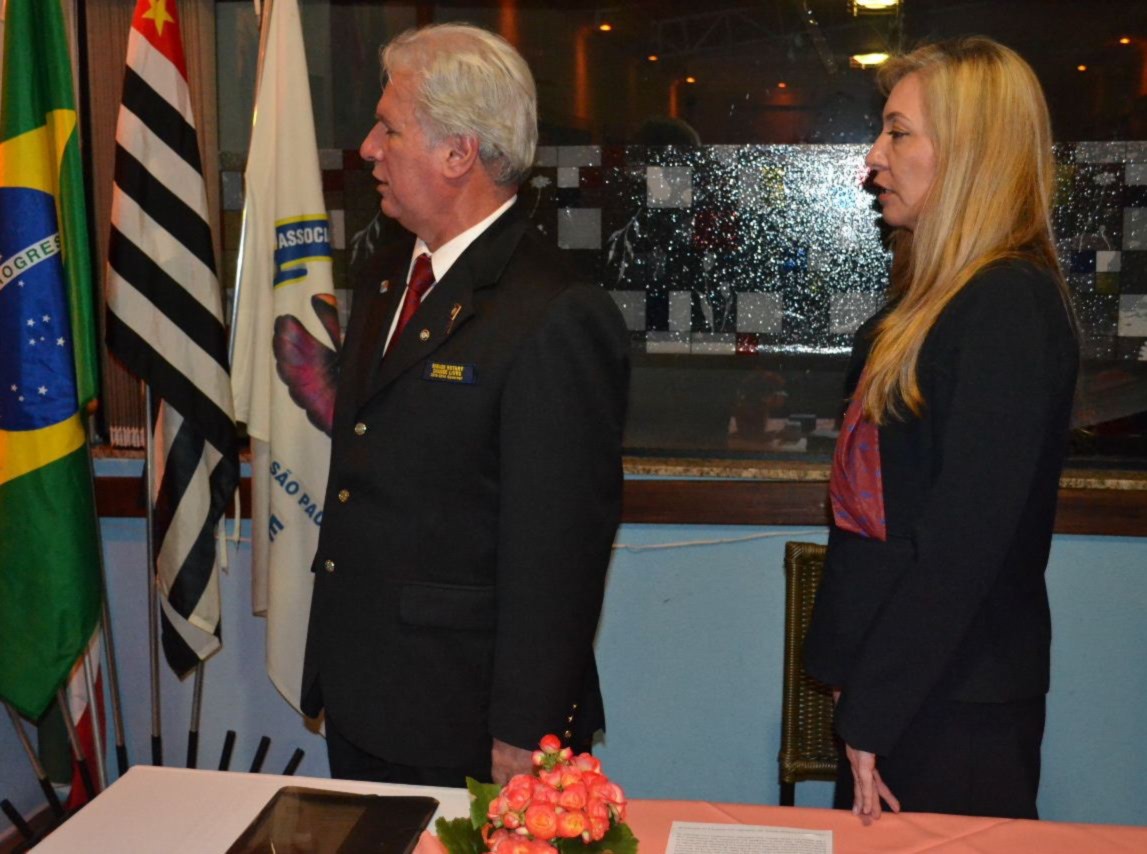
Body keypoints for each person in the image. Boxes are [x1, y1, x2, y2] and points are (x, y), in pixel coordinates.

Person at [301, 23, 630, 787]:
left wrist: (525, 729)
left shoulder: (553, 310)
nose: (368, 149)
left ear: (458, 153)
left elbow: (559, 551)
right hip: (363, 687)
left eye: (388, 129)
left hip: (469, 715)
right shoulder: (386, 275)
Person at [804, 37, 1079, 822]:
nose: (873, 157)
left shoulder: (1005, 307)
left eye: (897, 132)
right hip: (905, 690)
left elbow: (963, 544)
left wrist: (875, 709)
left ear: (968, 154)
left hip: (951, 703)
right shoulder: (940, 300)